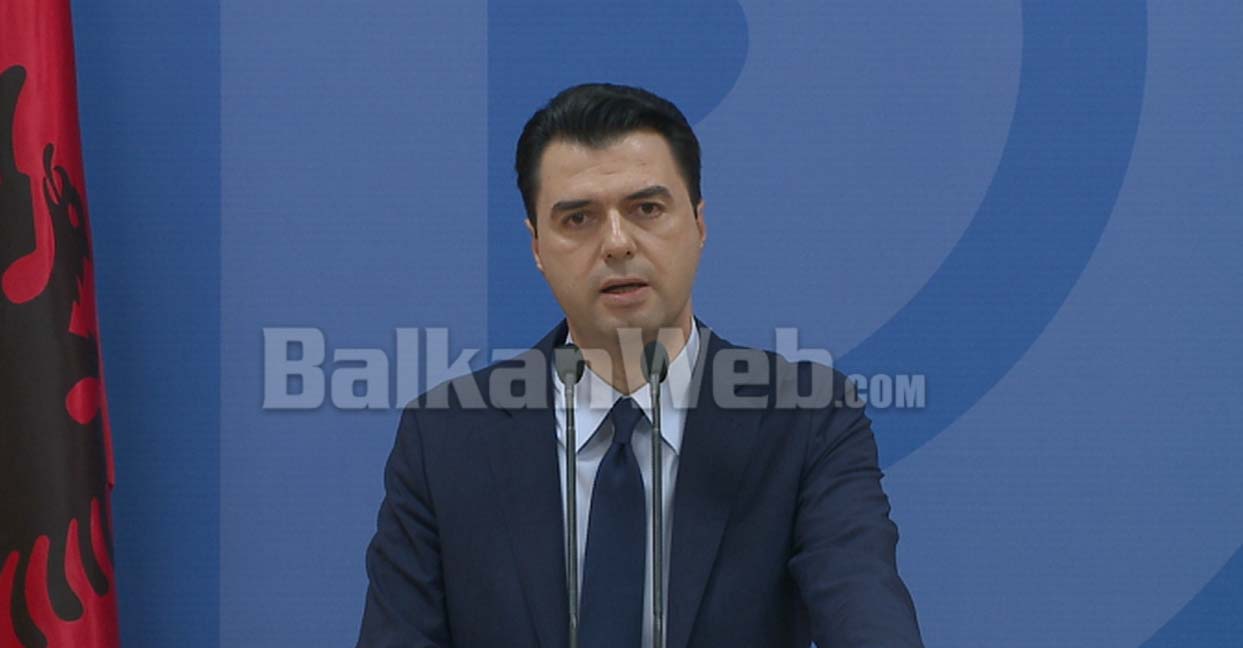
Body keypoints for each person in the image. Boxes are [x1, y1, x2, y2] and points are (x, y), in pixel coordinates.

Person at [357, 83, 923, 647]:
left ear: (699, 224)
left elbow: (865, 610)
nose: (617, 243)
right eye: (578, 218)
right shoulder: (446, 438)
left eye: (646, 209)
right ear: (536, 247)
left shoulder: (805, 420)